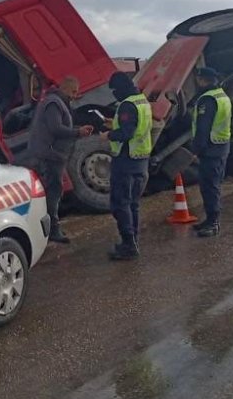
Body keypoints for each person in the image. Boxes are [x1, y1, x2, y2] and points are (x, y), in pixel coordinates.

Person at [26, 76, 93, 243]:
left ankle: (48, 228)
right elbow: (55, 128)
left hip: (51, 154)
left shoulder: (54, 101)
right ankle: (52, 230)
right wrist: (78, 132)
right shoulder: (54, 103)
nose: (75, 95)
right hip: (50, 155)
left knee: (52, 190)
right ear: (66, 89)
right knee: (53, 192)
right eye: (74, 91)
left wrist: (77, 130)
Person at [102, 72, 152, 261]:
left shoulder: (128, 104)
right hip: (141, 159)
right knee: (133, 203)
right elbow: (137, 126)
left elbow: (127, 132)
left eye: (114, 90)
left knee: (120, 203)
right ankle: (133, 240)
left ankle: (128, 244)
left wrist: (108, 135)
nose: (114, 94)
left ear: (120, 88)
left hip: (126, 159)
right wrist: (113, 124)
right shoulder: (142, 101)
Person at [189, 66, 232, 238]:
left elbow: (203, 128)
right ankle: (209, 220)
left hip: (210, 149)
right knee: (211, 185)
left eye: (198, 79)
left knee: (210, 187)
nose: (197, 82)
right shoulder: (222, 96)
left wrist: (195, 150)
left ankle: (213, 222)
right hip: (220, 146)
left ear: (203, 80)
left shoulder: (208, 100)